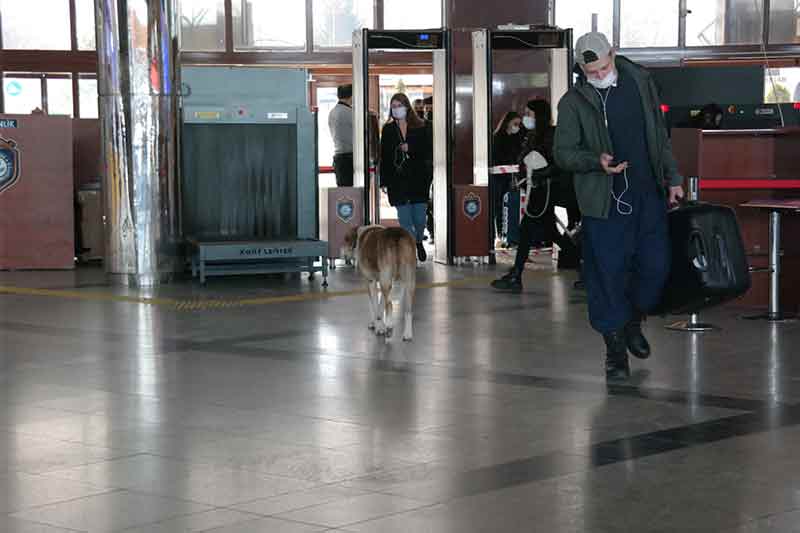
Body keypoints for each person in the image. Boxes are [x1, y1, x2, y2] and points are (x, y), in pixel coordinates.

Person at [553, 32, 685, 380]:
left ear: (613, 54)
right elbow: (562, 153)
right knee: (608, 275)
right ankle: (614, 350)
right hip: (604, 202)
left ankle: (632, 318)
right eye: (591, 72)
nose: (599, 76)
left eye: (604, 68)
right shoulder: (573, 102)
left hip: (647, 194)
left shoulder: (640, 83)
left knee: (656, 266)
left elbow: (659, 135)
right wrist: (595, 161)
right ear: (582, 68)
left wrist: (673, 178)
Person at [491, 99, 580, 293]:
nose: (526, 118)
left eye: (529, 114)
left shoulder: (551, 135)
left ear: (538, 115)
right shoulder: (531, 135)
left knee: (527, 231)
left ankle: (516, 275)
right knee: (549, 233)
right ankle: (587, 269)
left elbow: (558, 163)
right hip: (536, 190)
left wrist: (540, 173)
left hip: (545, 191)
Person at [379, 93, 433, 262]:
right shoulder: (388, 130)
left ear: (406, 106)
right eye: (393, 106)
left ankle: (418, 241)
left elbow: (429, 150)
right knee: (404, 219)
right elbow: (384, 157)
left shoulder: (422, 126)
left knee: (419, 218)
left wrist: (411, 148)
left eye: (399, 105)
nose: (396, 109)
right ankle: (410, 250)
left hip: (418, 179)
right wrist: (384, 181)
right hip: (397, 180)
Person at [490, 111, 525, 244]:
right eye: (515, 123)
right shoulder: (498, 137)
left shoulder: (517, 138)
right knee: (498, 205)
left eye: (519, 124)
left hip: (511, 177)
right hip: (499, 177)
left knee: (509, 206)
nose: (517, 126)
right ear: (507, 122)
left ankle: (509, 234)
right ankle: (499, 233)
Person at [328, 84, 354, 187]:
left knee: (343, 193)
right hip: (349, 159)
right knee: (354, 195)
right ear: (351, 96)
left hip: (339, 159)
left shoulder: (332, 112)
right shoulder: (350, 112)